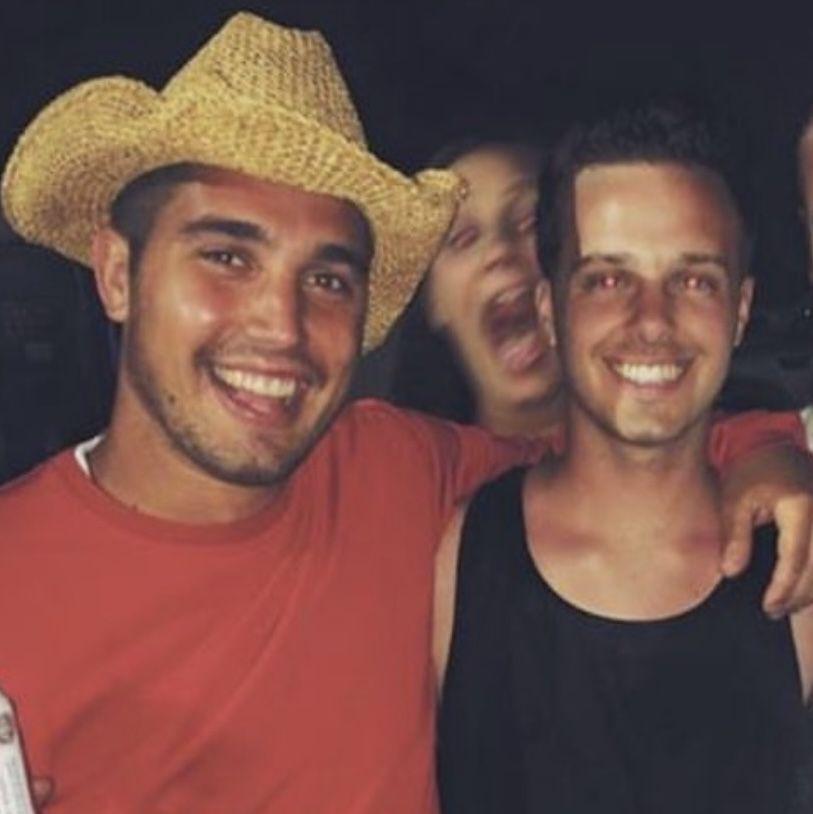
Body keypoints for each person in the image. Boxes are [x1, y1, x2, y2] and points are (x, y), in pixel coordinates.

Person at [0, 14, 809, 814]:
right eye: (227, 257)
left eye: (327, 279)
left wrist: (768, 452)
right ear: (117, 272)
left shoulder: (392, 470)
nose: (281, 326)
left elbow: (625, 450)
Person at [434, 104, 813, 814]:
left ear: (739, 310)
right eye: (607, 279)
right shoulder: (453, 556)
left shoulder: (796, 573)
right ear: (549, 309)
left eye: (694, 280)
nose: (651, 321)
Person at [355, 135, 813, 616]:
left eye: (531, 223)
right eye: (463, 238)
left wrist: (772, 456)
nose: (502, 252)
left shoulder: (734, 463)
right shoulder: (406, 473)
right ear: (428, 299)